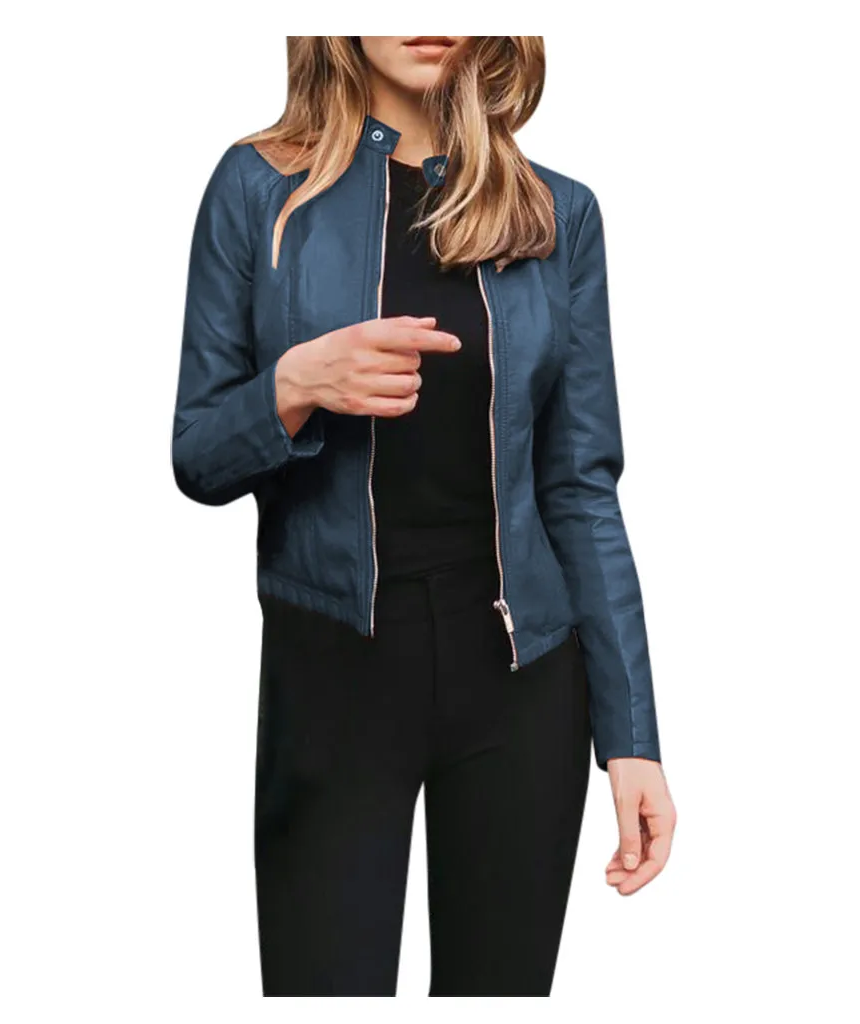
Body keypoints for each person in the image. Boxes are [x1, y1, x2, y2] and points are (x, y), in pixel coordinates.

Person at [171, 35, 676, 996]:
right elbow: (197, 456)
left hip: (524, 683)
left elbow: (579, 488)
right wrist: (293, 386)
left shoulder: (555, 212)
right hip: (333, 674)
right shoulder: (259, 188)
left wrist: (633, 736)